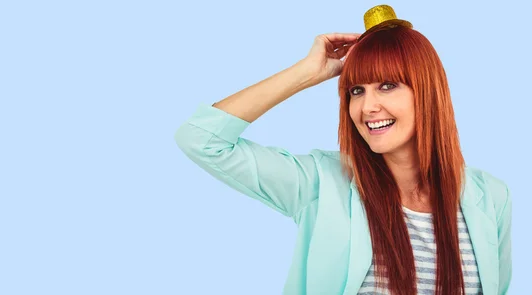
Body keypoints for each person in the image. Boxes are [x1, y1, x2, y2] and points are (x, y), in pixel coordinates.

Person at [174, 5, 511, 295]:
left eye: (387, 86)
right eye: (356, 91)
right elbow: (202, 140)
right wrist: (306, 74)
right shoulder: (320, 183)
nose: (367, 107)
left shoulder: (490, 197)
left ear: (428, 92)